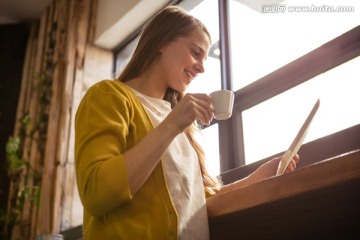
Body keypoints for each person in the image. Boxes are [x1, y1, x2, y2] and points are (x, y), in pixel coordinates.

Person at [74, 5, 299, 240]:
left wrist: (260, 177)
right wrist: (172, 125)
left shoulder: (178, 122)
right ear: (161, 42)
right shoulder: (109, 96)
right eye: (195, 53)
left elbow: (197, 204)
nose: (202, 67)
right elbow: (96, 193)